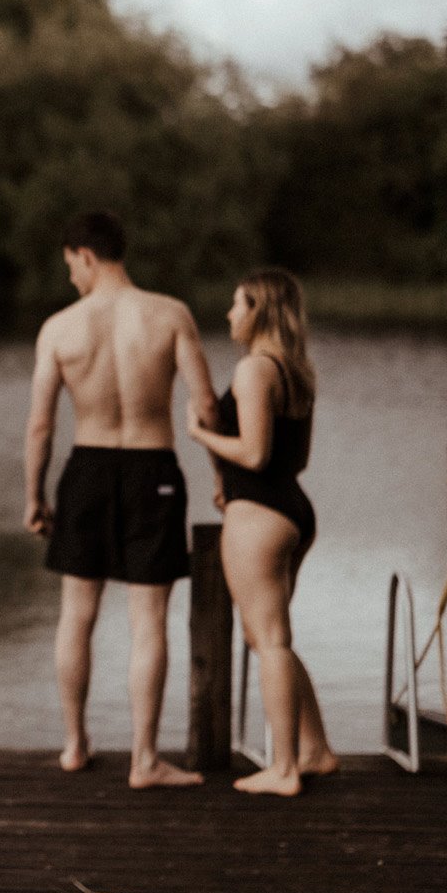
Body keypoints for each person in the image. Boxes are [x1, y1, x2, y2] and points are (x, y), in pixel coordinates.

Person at [24, 211, 218, 789]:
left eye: (70, 267)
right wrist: (222, 477)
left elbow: (39, 428)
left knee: (75, 615)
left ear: (86, 255)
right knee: (148, 621)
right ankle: (143, 760)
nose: (70, 280)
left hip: (86, 469)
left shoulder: (59, 329)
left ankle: (75, 745)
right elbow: (206, 408)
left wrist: (33, 495)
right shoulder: (170, 315)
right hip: (152, 469)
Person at [187, 269, 339, 797]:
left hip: (260, 516)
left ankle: (284, 768)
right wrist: (226, 479)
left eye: (237, 304)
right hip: (292, 508)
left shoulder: (254, 371)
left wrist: (200, 432)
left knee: (270, 640)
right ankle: (315, 749)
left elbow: (255, 453)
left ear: (259, 311)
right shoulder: (297, 371)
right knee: (270, 636)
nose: (229, 315)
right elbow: (293, 457)